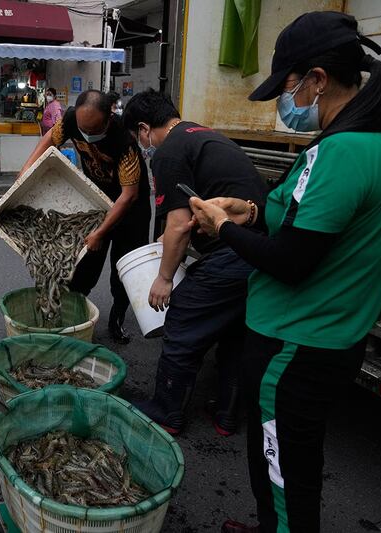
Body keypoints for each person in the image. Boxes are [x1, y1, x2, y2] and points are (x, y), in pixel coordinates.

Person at [187, 12, 381, 533]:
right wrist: (252, 213)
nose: (286, 104)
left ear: (317, 79)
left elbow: (291, 261)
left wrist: (223, 229)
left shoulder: (346, 150)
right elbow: (309, 225)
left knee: (284, 467)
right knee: (286, 458)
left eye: (287, 86)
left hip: (297, 344)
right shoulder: (371, 141)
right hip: (320, 337)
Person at [122, 89, 266, 436]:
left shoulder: (168, 151)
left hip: (235, 253)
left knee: (184, 317)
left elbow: (177, 224)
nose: (142, 145)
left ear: (144, 129)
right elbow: (183, 224)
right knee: (233, 331)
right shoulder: (203, 136)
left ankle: (166, 411)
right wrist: (167, 244)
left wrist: (164, 278)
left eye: (138, 138)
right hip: (261, 251)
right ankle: (226, 414)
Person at [19, 89, 152, 344]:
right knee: (85, 262)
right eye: (83, 129)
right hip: (96, 201)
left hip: (130, 209)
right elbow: (49, 140)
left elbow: (128, 196)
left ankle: (117, 318)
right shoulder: (70, 119)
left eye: (94, 129)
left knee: (122, 268)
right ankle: (74, 313)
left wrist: (100, 232)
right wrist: (26, 170)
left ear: (108, 118)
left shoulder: (124, 142)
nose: (88, 135)